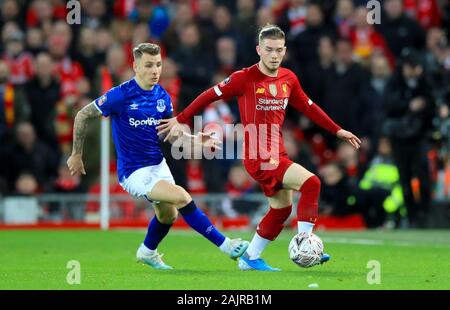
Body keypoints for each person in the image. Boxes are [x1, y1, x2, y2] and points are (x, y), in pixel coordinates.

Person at [158, 25, 361, 271]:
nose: (274, 55)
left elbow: (309, 107)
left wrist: (337, 130)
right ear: (259, 50)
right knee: (312, 183)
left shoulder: (288, 79)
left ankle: (250, 258)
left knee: (282, 209)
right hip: (259, 156)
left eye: (278, 50)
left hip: (277, 153)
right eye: (269, 50)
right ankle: (306, 244)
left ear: (284, 51)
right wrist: (181, 118)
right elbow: (209, 95)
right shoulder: (244, 78)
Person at [67, 43, 249, 270]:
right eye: (149, 65)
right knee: (182, 196)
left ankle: (147, 252)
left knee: (168, 216)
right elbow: (83, 115)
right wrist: (76, 154)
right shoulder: (119, 96)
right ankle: (227, 245)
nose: (155, 70)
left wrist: (194, 139)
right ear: (135, 66)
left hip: (157, 165)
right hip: (134, 172)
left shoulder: (162, 96)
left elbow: (170, 135)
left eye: (159, 65)